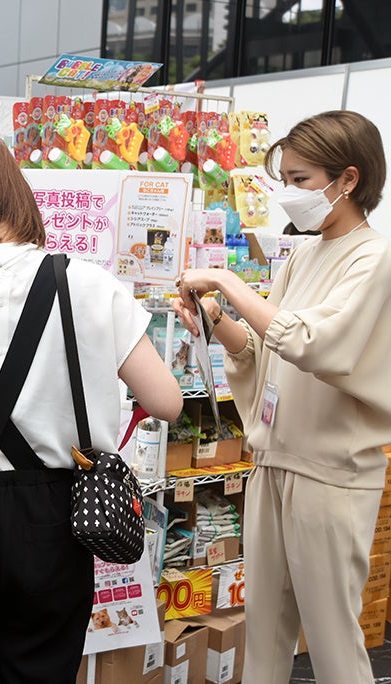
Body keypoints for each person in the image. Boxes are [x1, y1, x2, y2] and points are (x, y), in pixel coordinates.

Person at [0, 134, 182, 683]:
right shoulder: (88, 283)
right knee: (42, 668)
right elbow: (166, 400)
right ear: (17, 196)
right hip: (54, 512)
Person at [171, 110, 391, 684]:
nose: (288, 193)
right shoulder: (303, 254)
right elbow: (263, 351)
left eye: (300, 179)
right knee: (263, 631)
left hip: (331, 475)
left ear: (348, 179)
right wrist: (215, 319)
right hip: (273, 464)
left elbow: (317, 346)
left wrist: (228, 283)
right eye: (285, 179)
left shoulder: (375, 259)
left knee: (333, 641)